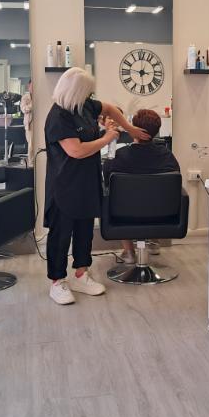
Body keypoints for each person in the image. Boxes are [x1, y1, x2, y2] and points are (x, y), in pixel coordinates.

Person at [44, 67, 149, 305]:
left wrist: (129, 128)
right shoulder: (58, 116)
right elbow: (76, 150)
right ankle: (57, 282)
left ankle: (81, 275)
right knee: (61, 235)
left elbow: (110, 108)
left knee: (84, 231)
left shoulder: (84, 106)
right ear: (75, 91)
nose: (90, 96)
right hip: (64, 184)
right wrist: (106, 138)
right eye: (87, 92)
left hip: (87, 181)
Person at [103, 109, 180, 264]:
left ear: (133, 129)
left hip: (123, 216)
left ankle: (129, 251)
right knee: (155, 197)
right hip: (162, 216)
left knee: (116, 198)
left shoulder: (119, 156)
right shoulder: (167, 156)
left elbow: (107, 183)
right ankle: (154, 241)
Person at [20, 79, 33, 165]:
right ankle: (31, 163)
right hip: (30, 124)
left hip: (39, 123)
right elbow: (24, 109)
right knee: (31, 144)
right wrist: (32, 104)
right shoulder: (25, 97)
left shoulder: (39, 96)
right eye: (32, 85)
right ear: (29, 86)